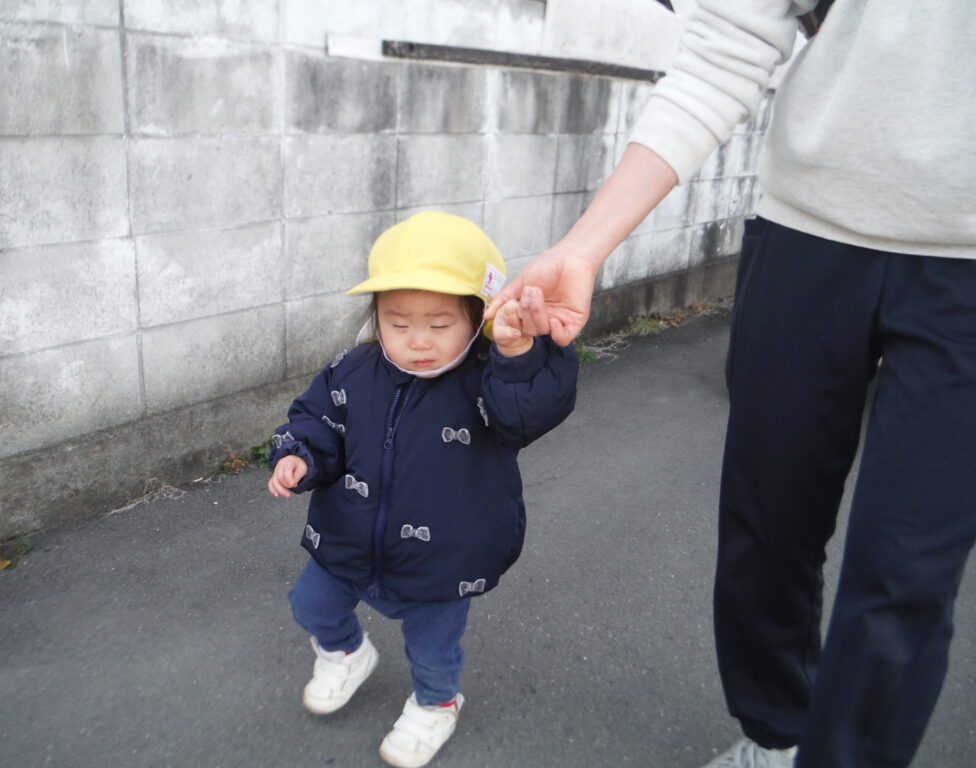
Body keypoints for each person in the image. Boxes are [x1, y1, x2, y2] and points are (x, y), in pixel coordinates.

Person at [487, 1, 975, 767]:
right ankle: (777, 732)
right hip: (805, 233)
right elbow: (728, 46)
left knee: (904, 577)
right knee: (766, 530)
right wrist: (582, 249)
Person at [267, 211, 578, 768]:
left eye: (438, 325)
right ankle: (346, 653)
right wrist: (300, 455)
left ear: (479, 318)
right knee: (310, 604)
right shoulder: (353, 370)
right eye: (397, 322)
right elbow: (317, 420)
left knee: (433, 648)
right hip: (347, 536)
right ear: (376, 317)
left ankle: (437, 703)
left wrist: (516, 358)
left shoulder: (492, 380)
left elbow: (526, 416)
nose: (417, 341)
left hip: (444, 559)